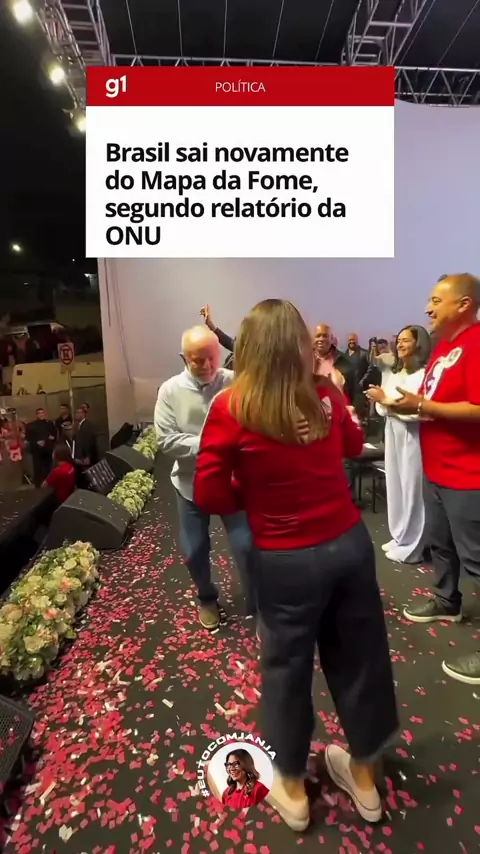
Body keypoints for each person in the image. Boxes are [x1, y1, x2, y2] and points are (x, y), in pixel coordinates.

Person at [194, 300, 398, 831]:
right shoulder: (325, 393)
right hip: (349, 546)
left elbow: (209, 492)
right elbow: (352, 444)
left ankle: (290, 787)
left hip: (284, 560)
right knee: (361, 659)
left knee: (286, 669)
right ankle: (364, 778)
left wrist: (253, 493)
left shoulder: (231, 405)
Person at [387, 273, 480, 684]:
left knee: (477, 559)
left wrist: (423, 405)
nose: (428, 309)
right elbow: (434, 403)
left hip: (469, 473)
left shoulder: (476, 344)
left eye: (436, 301)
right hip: (437, 468)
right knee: (441, 544)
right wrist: (409, 406)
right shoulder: (444, 348)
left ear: (464, 304)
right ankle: (447, 601)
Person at [154, 325, 255, 630]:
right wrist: (214, 443)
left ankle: (257, 603)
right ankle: (206, 598)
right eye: (198, 360)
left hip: (231, 482)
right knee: (194, 550)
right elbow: (166, 440)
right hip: (190, 483)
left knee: (247, 546)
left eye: (212, 357)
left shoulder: (235, 382)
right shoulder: (170, 391)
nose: (208, 365)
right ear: (183, 358)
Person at [365, 326, 431, 563]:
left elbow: (418, 412)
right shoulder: (395, 373)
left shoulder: (424, 375)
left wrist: (386, 401)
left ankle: (413, 545)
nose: (400, 344)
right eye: (399, 341)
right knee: (396, 485)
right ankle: (400, 535)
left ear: (419, 344)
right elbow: (383, 408)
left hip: (413, 437)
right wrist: (383, 401)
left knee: (413, 489)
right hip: (393, 433)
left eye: (406, 340)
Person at [313, 324, 356, 403]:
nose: (321, 339)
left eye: (325, 336)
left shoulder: (343, 361)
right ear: (312, 339)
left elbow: (354, 390)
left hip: (337, 407)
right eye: (318, 336)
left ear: (332, 339)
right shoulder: (305, 360)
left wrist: (354, 407)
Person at [25, 407, 56, 487]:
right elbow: (28, 438)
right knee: (37, 467)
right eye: (39, 413)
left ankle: (49, 483)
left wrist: (47, 440)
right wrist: (36, 442)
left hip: (47, 449)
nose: (41, 415)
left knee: (48, 467)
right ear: (36, 415)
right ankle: (38, 485)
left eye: (42, 413)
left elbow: (53, 435)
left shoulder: (49, 424)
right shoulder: (31, 425)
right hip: (36, 450)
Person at [73, 405, 98, 479]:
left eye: (78, 413)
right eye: (76, 413)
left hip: (86, 456)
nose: (76, 415)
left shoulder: (87, 425)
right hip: (82, 455)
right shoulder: (79, 425)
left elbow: (88, 441)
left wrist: (88, 456)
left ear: (83, 414)